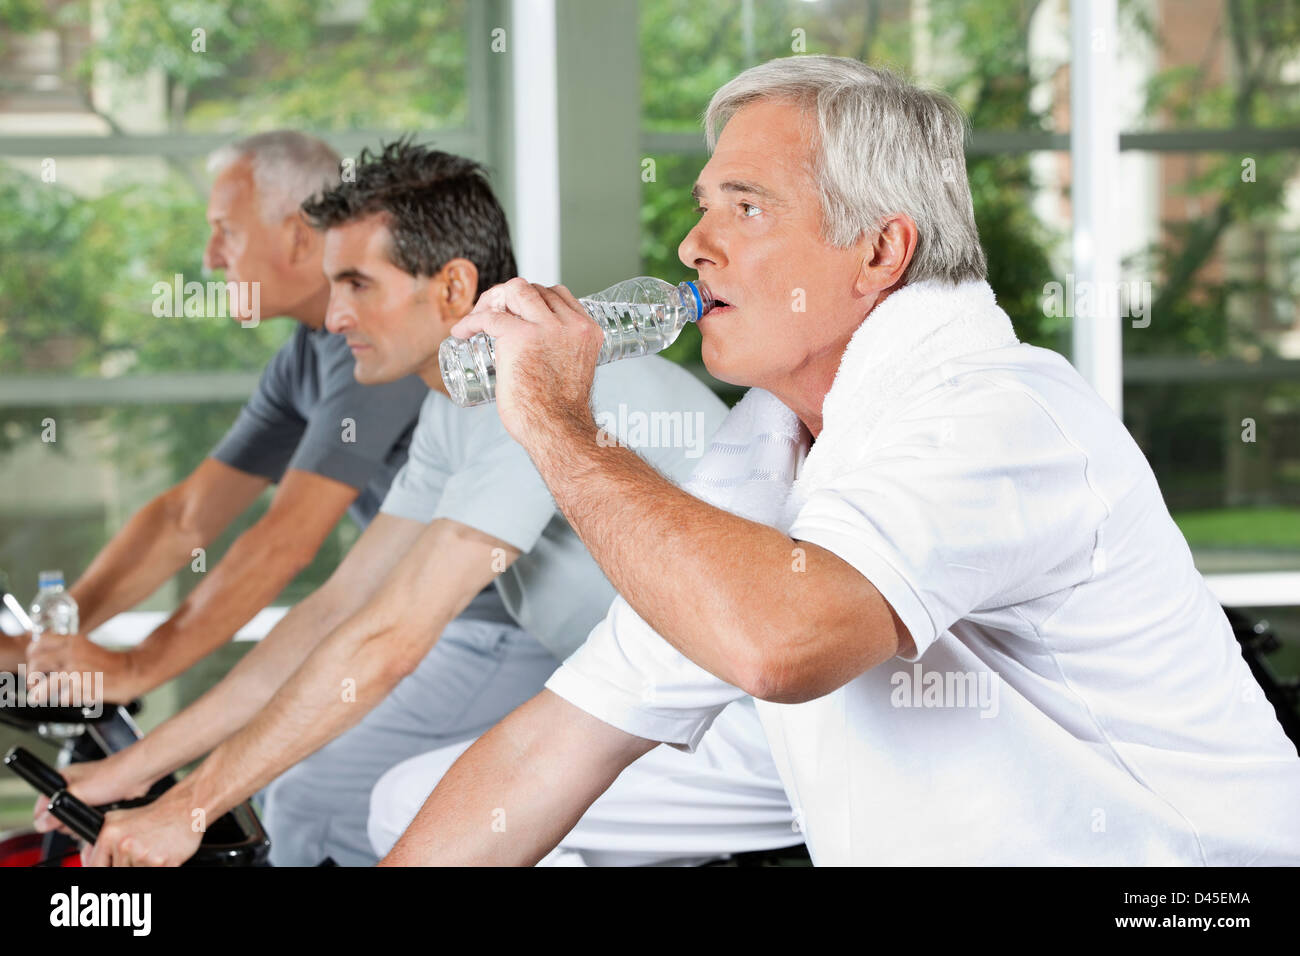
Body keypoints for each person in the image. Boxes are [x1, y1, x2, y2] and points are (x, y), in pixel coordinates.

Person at [378, 56, 1300, 866]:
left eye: (748, 206)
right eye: (705, 207)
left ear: (880, 251)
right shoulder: (766, 442)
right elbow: (555, 748)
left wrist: (553, 421)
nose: (694, 246)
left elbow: (785, 644)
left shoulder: (997, 413)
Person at [53, 142, 798, 867]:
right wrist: (133, 775)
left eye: (357, 285)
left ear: (450, 287)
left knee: (410, 807)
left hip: (758, 722)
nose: (334, 315)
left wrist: (188, 809)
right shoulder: (455, 404)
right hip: (655, 712)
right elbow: (339, 610)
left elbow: (388, 641)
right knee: (408, 803)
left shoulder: (545, 384)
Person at [20, 132, 427, 704]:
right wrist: (50, 638)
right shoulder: (304, 357)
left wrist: (140, 665)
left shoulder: (379, 340)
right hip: (424, 624)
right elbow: (184, 521)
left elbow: (286, 540)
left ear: (297, 234)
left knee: (297, 787)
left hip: (490, 626)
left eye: (226, 233)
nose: (211, 259)